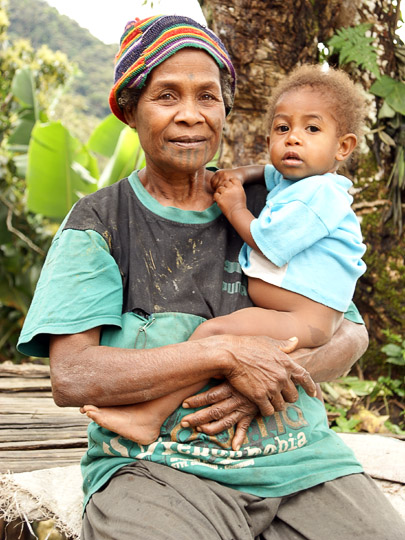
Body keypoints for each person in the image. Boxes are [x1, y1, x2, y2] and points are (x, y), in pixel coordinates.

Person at [17, 15, 404, 540]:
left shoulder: (279, 204)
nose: (190, 116)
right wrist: (221, 356)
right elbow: (74, 377)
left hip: (299, 462)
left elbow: (349, 331)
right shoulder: (101, 223)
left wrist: (261, 381)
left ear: (225, 108)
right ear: (129, 110)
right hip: (160, 468)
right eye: (167, 96)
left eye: (208, 96)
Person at [80, 64, 368, 450]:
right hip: (295, 313)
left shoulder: (321, 195)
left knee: (212, 335)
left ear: (343, 147)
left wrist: (234, 206)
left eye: (311, 130)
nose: (293, 140)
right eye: (283, 129)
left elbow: (270, 243)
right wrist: (234, 173)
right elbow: (265, 172)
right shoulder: (294, 182)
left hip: (305, 319)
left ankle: (149, 416)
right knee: (222, 345)